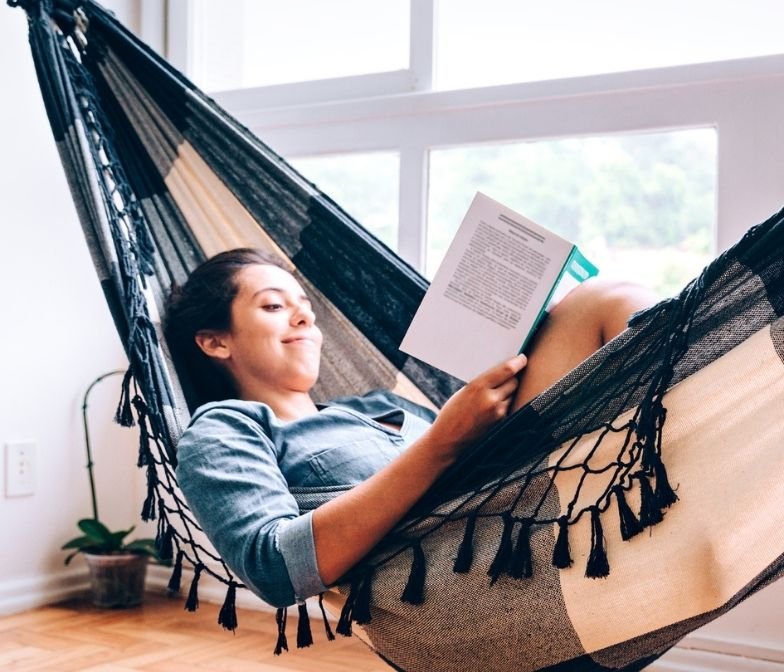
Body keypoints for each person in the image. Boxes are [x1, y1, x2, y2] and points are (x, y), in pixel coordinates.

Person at [163, 247, 657, 609]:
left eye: (306, 309)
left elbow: (481, 455)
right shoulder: (224, 428)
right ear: (214, 342)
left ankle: (701, 407)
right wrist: (442, 442)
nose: (304, 318)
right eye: (274, 306)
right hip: (469, 566)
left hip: (529, 494)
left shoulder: (377, 404)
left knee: (604, 301)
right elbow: (273, 569)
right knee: (603, 300)